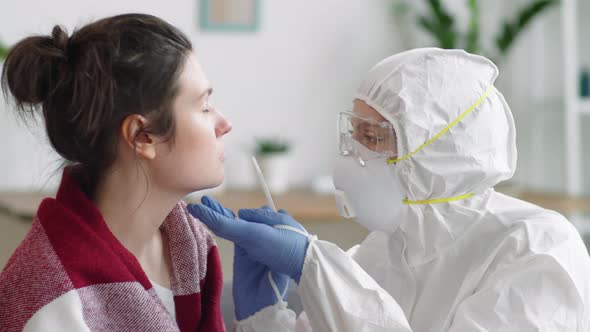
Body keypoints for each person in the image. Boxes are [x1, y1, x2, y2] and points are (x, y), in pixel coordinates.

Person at [188, 48, 590, 331]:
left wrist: (317, 267)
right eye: (353, 134)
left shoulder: (536, 248)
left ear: (440, 153)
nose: (352, 155)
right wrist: (265, 320)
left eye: (373, 137)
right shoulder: (381, 252)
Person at [0, 14, 231, 331]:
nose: (224, 124)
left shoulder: (192, 246)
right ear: (142, 136)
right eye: (204, 106)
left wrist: (268, 315)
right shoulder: (53, 301)